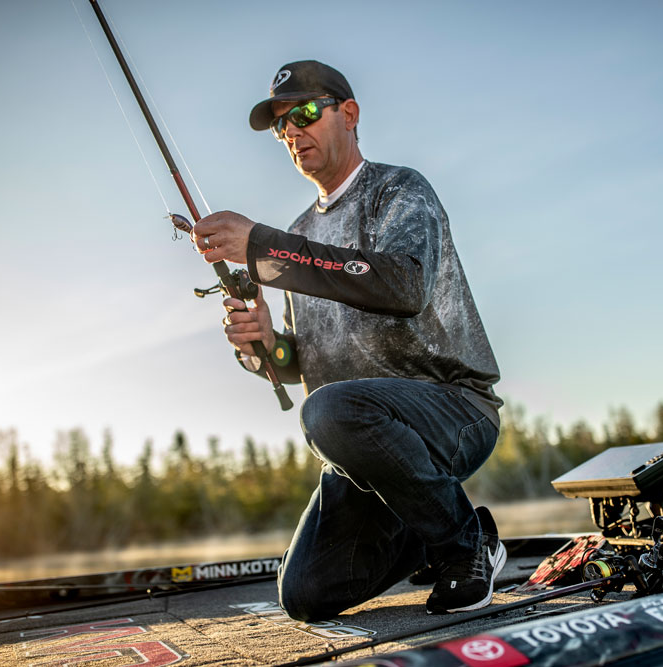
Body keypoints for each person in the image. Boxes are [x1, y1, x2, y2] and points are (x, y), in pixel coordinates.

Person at [190, 60, 504, 620]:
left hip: (453, 409)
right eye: (283, 126)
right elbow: (299, 358)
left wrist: (263, 246)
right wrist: (264, 345)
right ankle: (438, 529)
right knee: (306, 595)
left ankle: (464, 546)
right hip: (357, 448)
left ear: (349, 114)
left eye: (305, 114)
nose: (292, 132)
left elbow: (403, 284)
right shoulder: (299, 237)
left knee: (328, 409)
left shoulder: (400, 190)